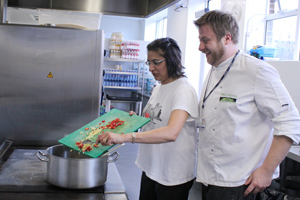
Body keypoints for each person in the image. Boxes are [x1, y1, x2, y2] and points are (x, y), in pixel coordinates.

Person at [193, 10, 300, 200]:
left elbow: (291, 122)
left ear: (227, 38)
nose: (200, 47)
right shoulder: (214, 69)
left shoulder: (257, 71)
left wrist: (266, 171)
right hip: (211, 178)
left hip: (241, 184)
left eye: (205, 40)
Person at [96, 37, 199, 200]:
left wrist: (124, 137)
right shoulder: (159, 87)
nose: (151, 68)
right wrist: (135, 121)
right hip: (152, 166)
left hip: (172, 174)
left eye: (156, 62)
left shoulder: (183, 90)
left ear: (172, 60)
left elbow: (171, 132)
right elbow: (156, 120)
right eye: (149, 62)